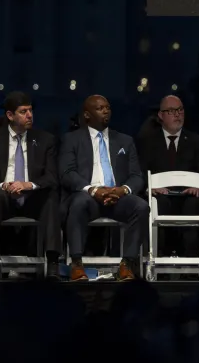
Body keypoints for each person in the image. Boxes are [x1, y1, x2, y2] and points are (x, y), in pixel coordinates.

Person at [0, 92, 61, 280]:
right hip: (4, 197)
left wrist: (29, 185)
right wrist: (4, 185)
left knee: (51, 199)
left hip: (32, 197)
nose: (30, 115)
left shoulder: (45, 140)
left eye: (30, 111)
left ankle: (53, 262)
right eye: (23, 111)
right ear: (10, 116)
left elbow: (52, 177)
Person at [60, 94, 147, 282]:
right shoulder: (72, 139)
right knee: (78, 202)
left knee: (140, 206)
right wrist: (93, 190)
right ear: (87, 115)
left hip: (117, 197)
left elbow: (137, 176)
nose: (106, 111)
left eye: (108, 107)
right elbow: (67, 173)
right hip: (88, 196)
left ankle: (126, 265)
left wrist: (122, 190)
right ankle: (76, 264)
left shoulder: (125, 140)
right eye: (100, 108)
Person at [138, 94, 199, 258]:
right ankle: (159, 257)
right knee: (158, 203)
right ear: (161, 115)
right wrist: (150, 188)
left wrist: (198, 186)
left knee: (194, 204)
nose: (177, 114)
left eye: (180, 110)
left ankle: (191, 262)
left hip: (188, 196)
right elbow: (140, 172)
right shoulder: (147, 142)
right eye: (171, 111)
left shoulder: (197, 141)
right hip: (161, 196)